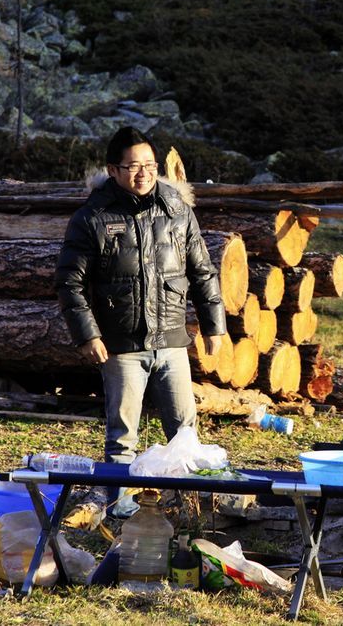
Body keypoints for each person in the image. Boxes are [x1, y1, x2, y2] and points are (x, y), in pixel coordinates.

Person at [56, 126, 226, 516]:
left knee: (185, 434)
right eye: (133, 166)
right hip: (121, 345)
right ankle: (120, 509)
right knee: (122, 438)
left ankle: (191, 510)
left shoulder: (177, 209)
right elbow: (69, 281)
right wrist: (88, 335)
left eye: (149, 165)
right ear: (113, 170)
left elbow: (202, 271)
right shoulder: (92, 218)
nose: (143, 173)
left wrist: (214, 325)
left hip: (172, 341)